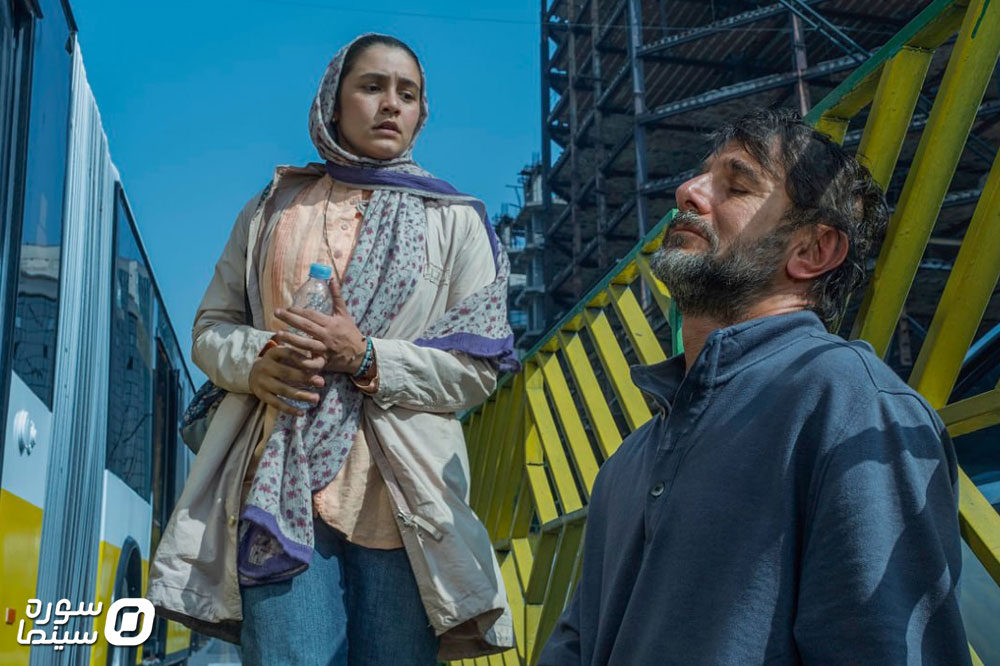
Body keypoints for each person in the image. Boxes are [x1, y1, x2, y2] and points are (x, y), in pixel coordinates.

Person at [538, 108, 971, 666]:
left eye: (736, 186)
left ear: (813, 250)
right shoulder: (630, 457)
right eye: (700, 176)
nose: (688, 192)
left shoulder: (851, 404)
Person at [147, 33, 518, 665]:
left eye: (408, 94)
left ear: (422, 113)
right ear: (332, 101)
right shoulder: (271, 209)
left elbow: (477, 369)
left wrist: (367, 357)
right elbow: (211, 329)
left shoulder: (456, 219)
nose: (391, 105)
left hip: (403, 499)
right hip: (275, 483)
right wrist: (259, 362)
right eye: (372, 87)